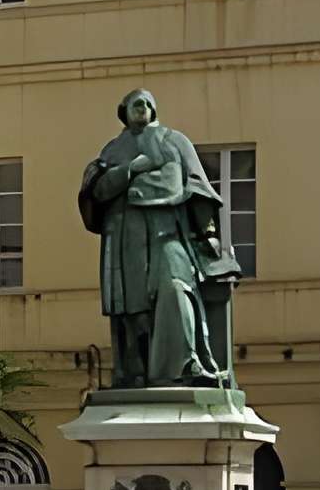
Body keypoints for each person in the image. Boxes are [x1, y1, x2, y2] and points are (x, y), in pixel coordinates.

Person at [76, 89, 239, 387]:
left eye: (147, 103)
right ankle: (134, 371)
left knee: (176, 288)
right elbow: (96, 192)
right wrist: (131, 171)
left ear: (154, 110)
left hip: (166, 230)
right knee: (132, 308)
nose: (142, 107)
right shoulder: (111, 150)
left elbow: (197, 186)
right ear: (123, 111)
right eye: (135, 103)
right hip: (124, 235)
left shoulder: (174, 140)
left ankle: (187, 363)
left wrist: (209, 233)